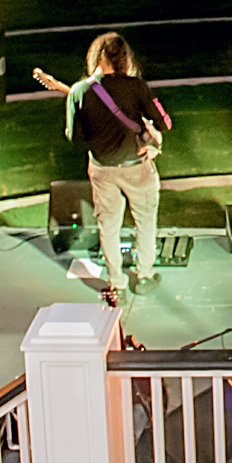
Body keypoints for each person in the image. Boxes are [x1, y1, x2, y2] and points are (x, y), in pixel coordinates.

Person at [34, 33, 171, 303]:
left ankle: (116, 283)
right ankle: (144, 277)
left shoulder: (78, 91)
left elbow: (75, 137)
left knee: (108, 226)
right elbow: (164, 122)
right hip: (137, 168)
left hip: (101, 170)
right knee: (145, 222)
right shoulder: (136, 86)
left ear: (96, 57)